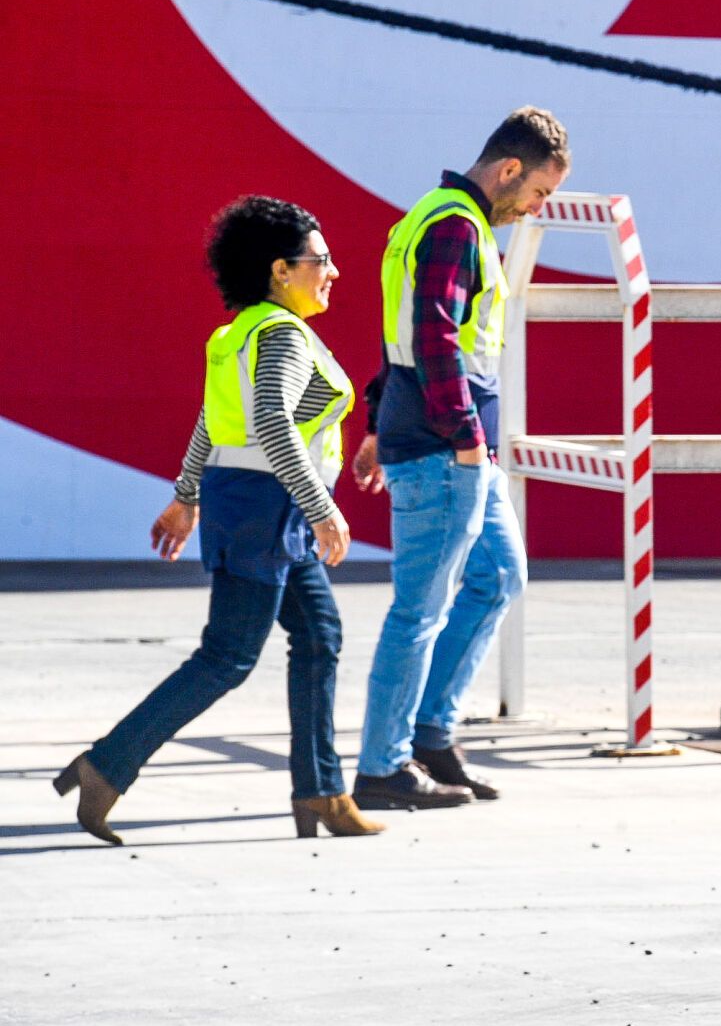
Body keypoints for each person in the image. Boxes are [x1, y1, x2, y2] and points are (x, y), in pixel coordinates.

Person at [56, 196, 383, 844]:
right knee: (228, 656)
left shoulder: (242, 329)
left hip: (258, 506)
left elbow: (214, 419)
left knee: (319, 635)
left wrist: (186, 494)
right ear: (281, 269)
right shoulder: (282, 335)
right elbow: (270, 422)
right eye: (321, 260)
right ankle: (107, 765)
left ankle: (322, 790)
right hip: (273, 509)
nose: (334, 271)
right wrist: (324, 511)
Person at [349, 106, 571, 811]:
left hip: (445, 441)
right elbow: (435, 334)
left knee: (500, 575)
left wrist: (380, 419)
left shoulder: (434, 216)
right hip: (450, 448)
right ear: (509, 169)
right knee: (419, 611)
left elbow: (402, 333)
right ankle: (383, 767)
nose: (538, 207)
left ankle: (427, 736)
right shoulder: (455, 225)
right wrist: (464, 434)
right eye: (538, 191)